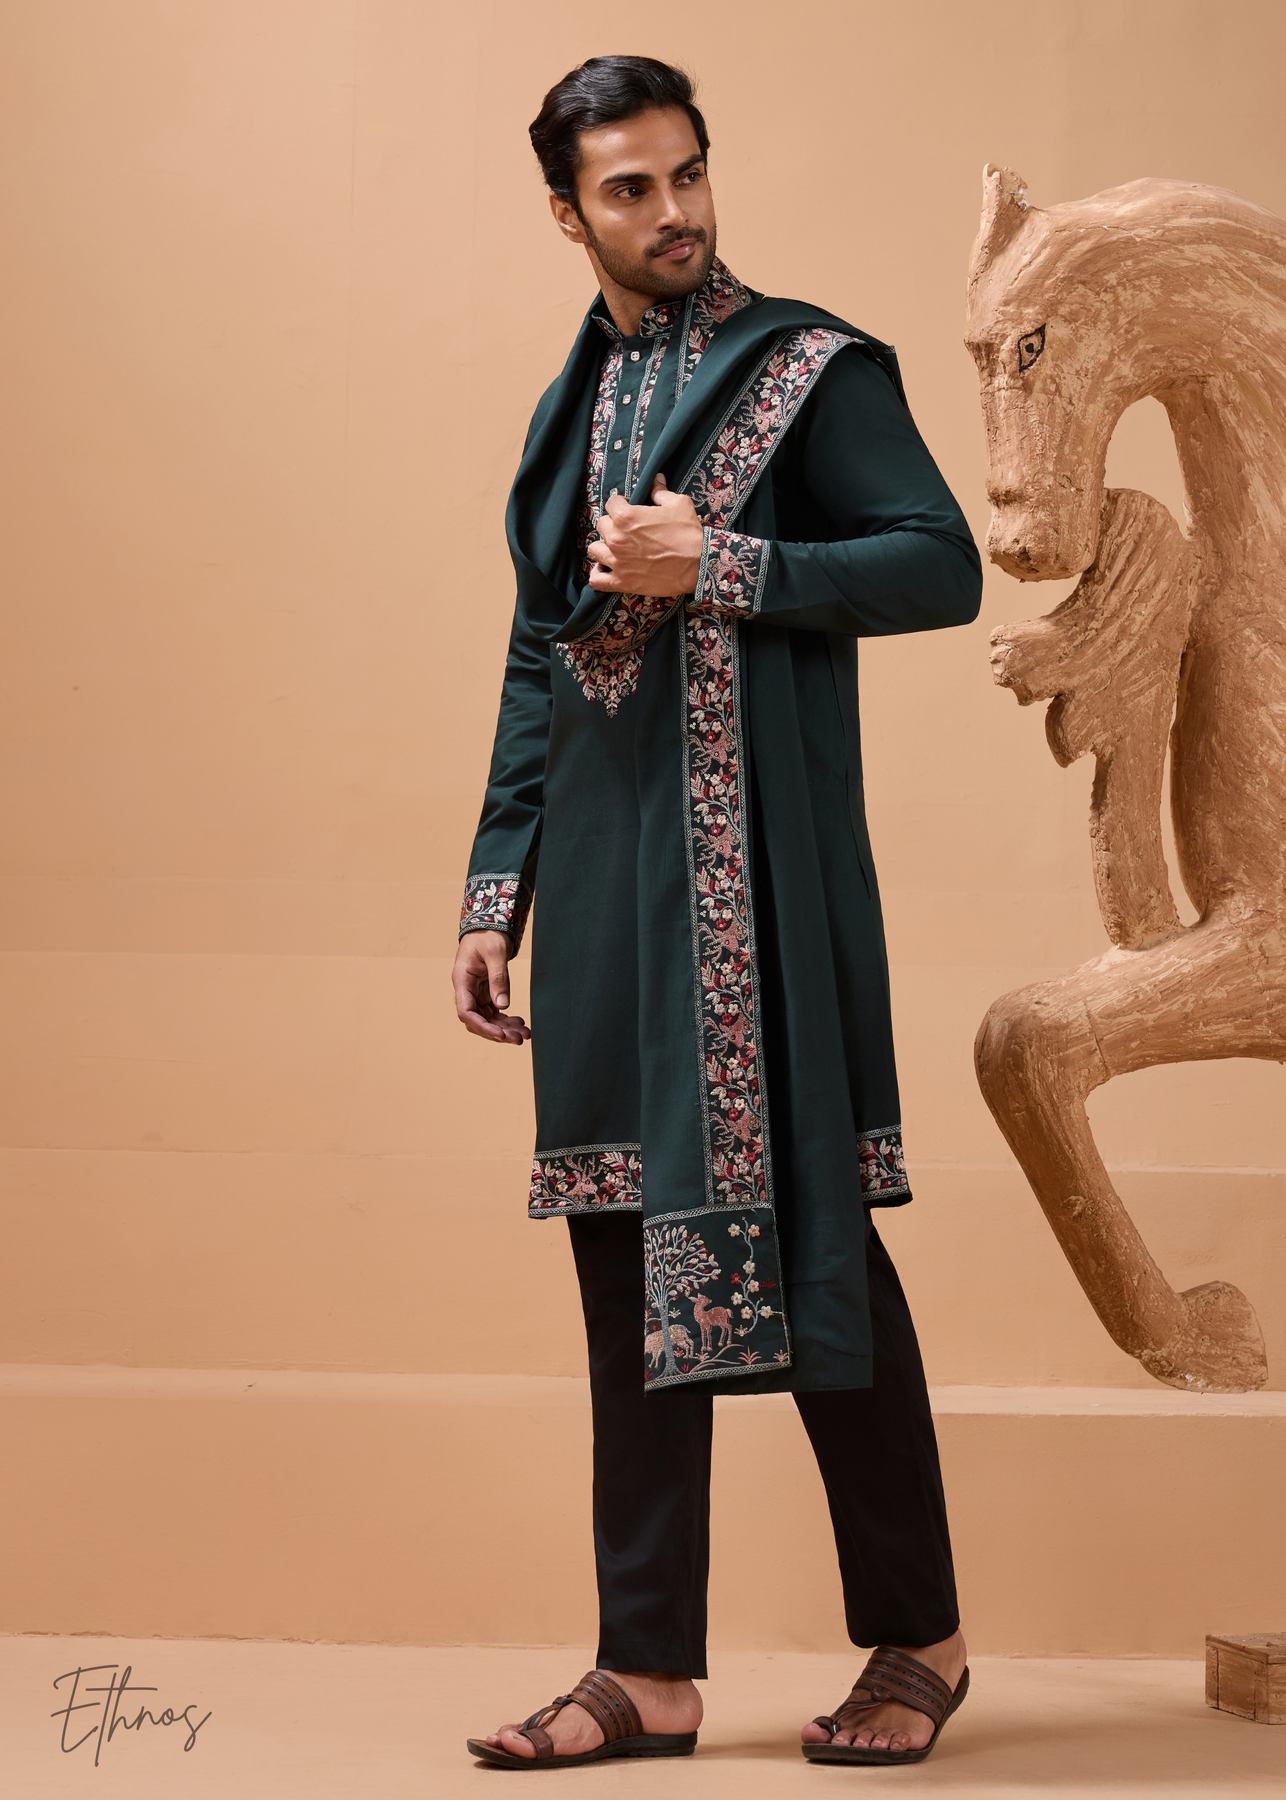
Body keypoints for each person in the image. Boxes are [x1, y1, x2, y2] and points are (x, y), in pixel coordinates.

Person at [453, 55, 982, 1770]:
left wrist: (729, 568)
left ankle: (919, 1637)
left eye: (686, 173)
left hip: (760, 885)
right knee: (621, 1252)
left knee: (821, 1248)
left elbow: (936, 562)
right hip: (612, 897)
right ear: (567, 213)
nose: (671, 210)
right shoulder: (570, 414)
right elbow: (540, 656)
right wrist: (496, 887)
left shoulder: (807, 367)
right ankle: (647, 1670)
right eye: (629, 188)